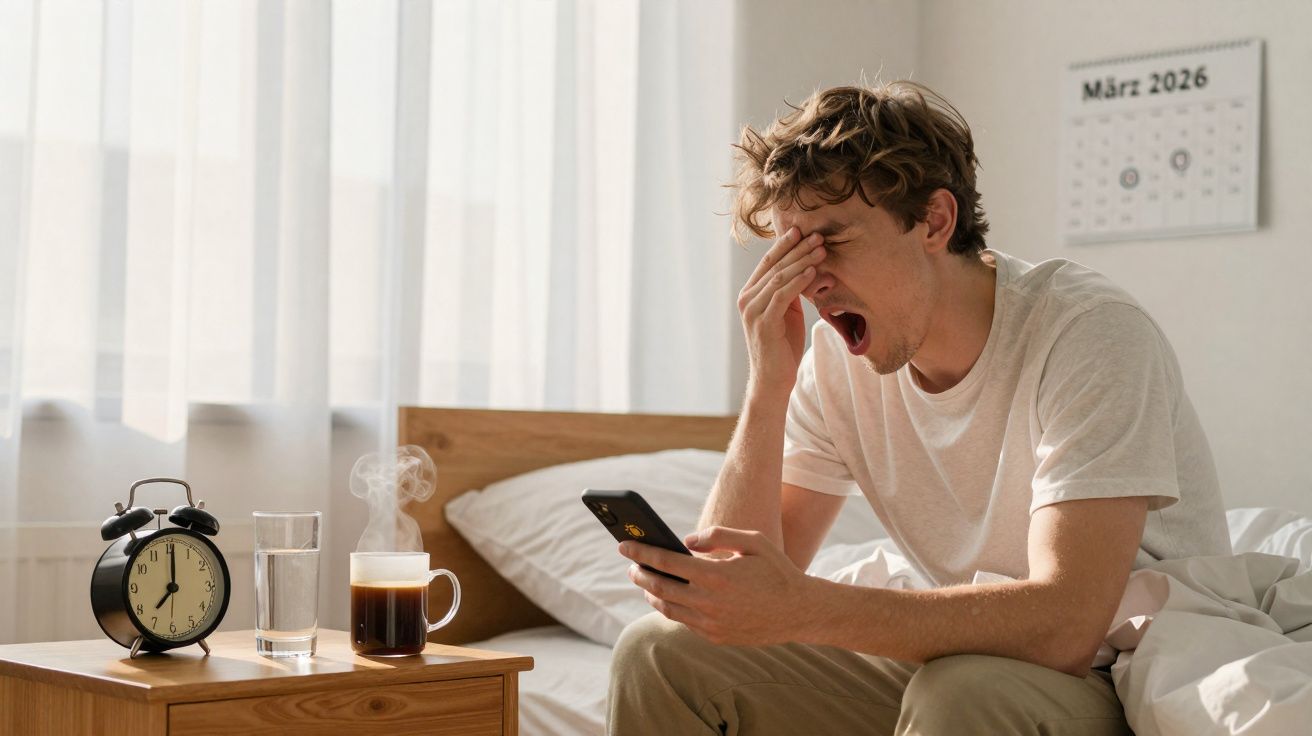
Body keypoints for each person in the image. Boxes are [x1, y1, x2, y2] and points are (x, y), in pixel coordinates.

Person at [606, 80, 1230, 735]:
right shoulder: (835, 361)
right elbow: (732, 596)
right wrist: (768, 383)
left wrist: (808, 607)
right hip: (967, 662)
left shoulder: (1087, 332)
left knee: (961, 691)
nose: (809, 281)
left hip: (1125, 672)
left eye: (831, 242)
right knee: (662, 653)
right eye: (791, 251)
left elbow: (1070, 626)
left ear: (934, 220)